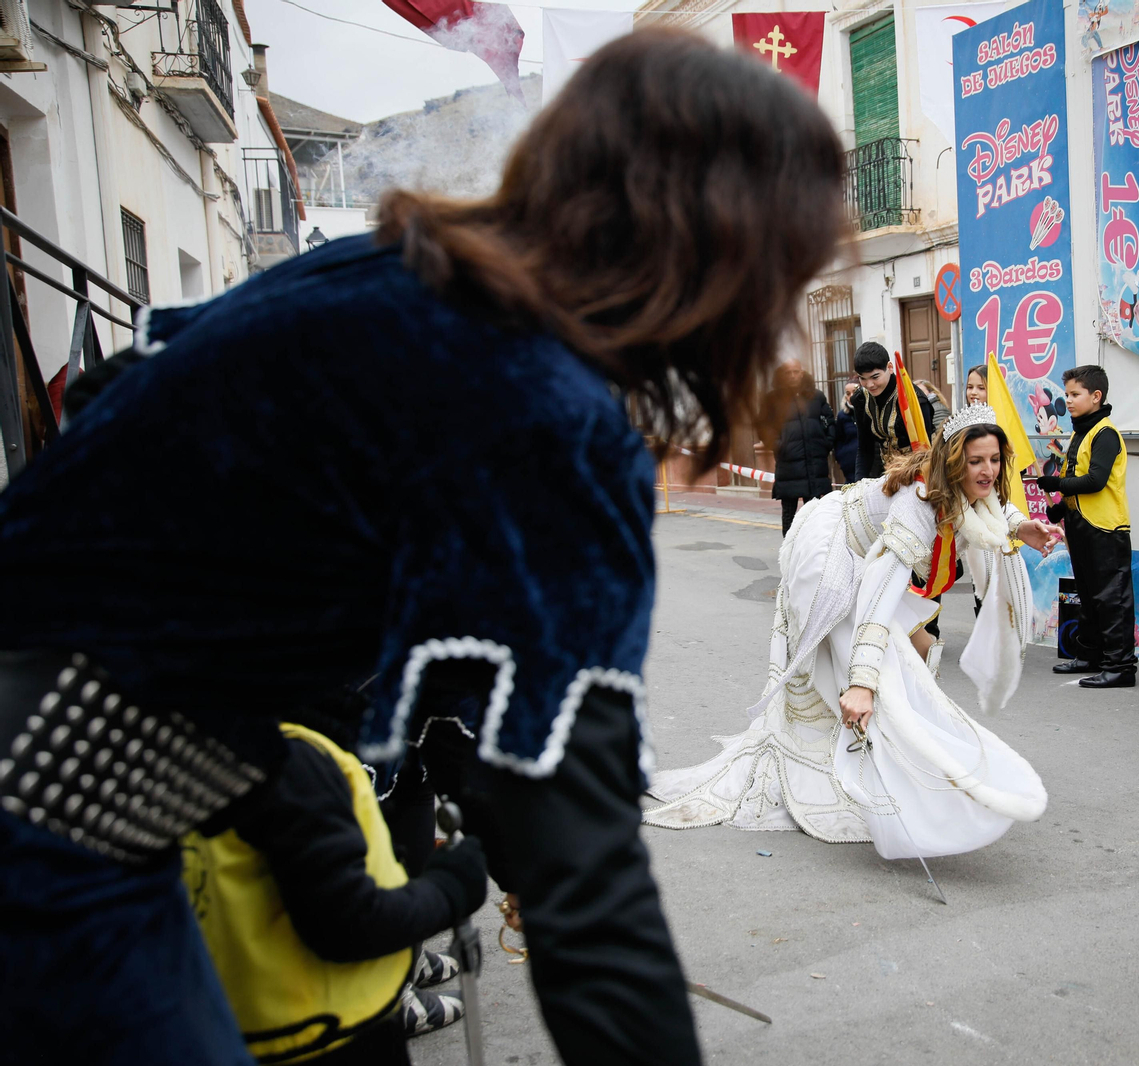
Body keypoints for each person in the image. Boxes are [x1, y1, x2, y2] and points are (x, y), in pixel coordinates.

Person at [0, 30, 844, 1066]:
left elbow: (108, 398)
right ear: (716, 253)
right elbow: (591, 890)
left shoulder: (372, 274)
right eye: (783, 273)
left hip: (98, 816)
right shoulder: (548, 413)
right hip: (48, 821)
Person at [643, 405, 1058, 858]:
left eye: (994, 460)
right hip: (829, 556)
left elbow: (993, 503)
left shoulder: (964, 486)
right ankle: (847, 767)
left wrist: (1022, 527)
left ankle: (869, 759)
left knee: (912, 658)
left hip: (867, 560)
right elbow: (877, 601)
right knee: (871, 676)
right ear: (954, 460)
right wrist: (862, 683)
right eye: (976, 461)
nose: (987, 470)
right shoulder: (917, 504)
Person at [182, 696, 489, 1064]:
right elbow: (348, 921)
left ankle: (409, 964)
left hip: (256, 1019)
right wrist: (448, 889)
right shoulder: (293, 761)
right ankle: (400, 986)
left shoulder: (201, 735)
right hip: (324, 1030)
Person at [1036, 365, 1138, 688]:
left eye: (1075, 394)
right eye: (1066, 394)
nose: (1069, 400)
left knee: (1112, 599)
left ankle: (1121, 666)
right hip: (1081, 527)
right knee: (1089, 596)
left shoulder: (1105, 433)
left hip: (1107, 529)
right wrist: (1057, 513)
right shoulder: (1081, 433)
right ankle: (1091, 654)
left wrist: (1056, 482)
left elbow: (1095, 481)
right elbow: (1079, 483)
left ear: (1096, 397)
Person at [759, 360, 835, 535]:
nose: (793, 376)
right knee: (789, 514)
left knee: (815, 513)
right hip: (789, 465)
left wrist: (826, 443)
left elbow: (829, 421)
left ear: (802, 373)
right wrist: (778, 445)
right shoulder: (772, 400)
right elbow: (764, 427)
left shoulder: (816, 396)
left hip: (815, 464)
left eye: (796, 371)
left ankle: (813, 549)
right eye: (788, 372)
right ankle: (789, 551)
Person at [849, 341, 935, 482]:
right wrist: (858, 484)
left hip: (917, 473)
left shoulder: (915, 399)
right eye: (862, 378)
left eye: (875, 377)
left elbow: (924, 451)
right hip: (883, 474)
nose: (869, 385)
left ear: (890, 367)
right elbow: (865, 448)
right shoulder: (861, 399)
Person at [834, 381, 860, 484]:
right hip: (849, 462)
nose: (851, 396)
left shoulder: (868, 411)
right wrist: (841, 458)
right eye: (848, 393)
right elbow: (838, 439)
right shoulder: (842, 415)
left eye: (854, 392)